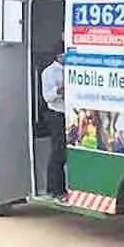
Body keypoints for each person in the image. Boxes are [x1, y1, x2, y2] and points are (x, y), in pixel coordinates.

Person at [41, 41, 68, 202]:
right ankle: (55, 190)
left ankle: (64, 188)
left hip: (70, 114)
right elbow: (47, 97)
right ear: (58, 55)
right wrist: (59, 90)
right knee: (58, 152)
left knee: (67, 152)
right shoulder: (49, 73)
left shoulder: (71, 70)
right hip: (56, 114)